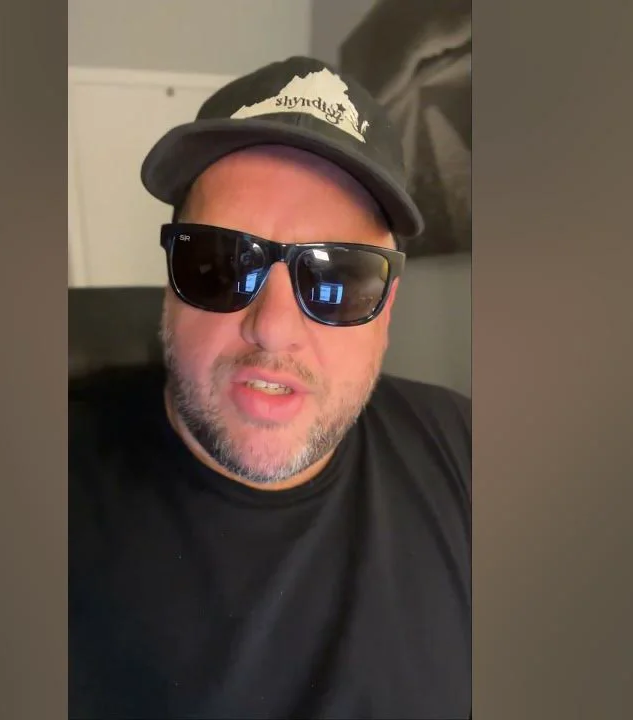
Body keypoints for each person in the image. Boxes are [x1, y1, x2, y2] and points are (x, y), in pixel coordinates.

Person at [70, 56, 471, 719]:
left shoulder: (468, 452)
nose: (273, 329)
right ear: (171, 282)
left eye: (338, 277)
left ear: (386, 309)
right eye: (222, 262)